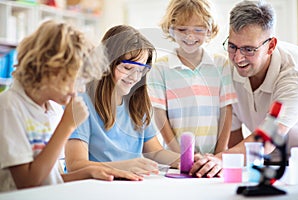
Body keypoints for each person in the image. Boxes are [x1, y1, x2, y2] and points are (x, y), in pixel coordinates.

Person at [0, 20, 142, 192]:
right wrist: (67, 126)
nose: (81, 89)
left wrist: (89, 171)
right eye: (77, 80)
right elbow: (27, 183)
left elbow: (49, 178)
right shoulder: (9, 107)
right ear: (52, 69)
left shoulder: (51, 109)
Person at [199, 0, 298, 177]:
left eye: (248, 49)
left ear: (271, 46)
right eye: (232, 46)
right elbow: (234, 134)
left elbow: (269, 137)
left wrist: (221, 159)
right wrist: (226, 162)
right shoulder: (226, 70)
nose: (238, 58)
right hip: (264, 161)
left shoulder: (294, 73)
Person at [65, 25, 180, 177]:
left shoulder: (137, 104)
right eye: (127, 68)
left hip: (129, 185)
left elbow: (156, 152)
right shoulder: (81, 102)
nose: (135, 77)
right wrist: (124, 166)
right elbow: (75, 165)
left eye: (140, 70)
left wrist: (188, 160)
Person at [147, 0, 238, 156]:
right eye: (182, 29)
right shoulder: (159, 68)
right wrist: (180, 156)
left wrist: (219, 154)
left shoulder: (221, 64)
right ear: (171, 30)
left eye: (198, 30)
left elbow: (226, 110)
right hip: (177, 158)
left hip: (212, 157)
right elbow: (159, 115)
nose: (190, 36)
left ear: (210, 30)